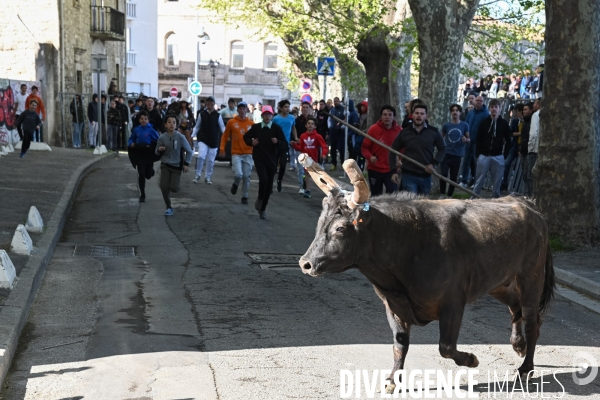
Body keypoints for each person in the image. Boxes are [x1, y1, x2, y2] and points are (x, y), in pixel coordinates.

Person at [389, 104, 446, 195]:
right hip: (409, 175)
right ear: (412, 115)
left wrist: (434, 164)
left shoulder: (434, 132)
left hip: (426, 176)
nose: (419, 115)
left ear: (426, 116)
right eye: (417, 113)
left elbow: (443, 149)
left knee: (422, 205)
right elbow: (393, 151)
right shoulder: (404, 133)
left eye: (422, 113)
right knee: (411, 203)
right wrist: (393, 171)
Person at [243, 105, 287, 219]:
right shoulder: (256, 127)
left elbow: (284, 144)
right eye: (265, 114)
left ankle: (263, 209)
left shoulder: (276, 129)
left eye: (269, 114)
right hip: (259, 158)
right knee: (263, 179)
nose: (267, 116)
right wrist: (252, 142)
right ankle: (260, 197)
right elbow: (246, 137)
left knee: (269, 185)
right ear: (262, 115)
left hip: (272, 159)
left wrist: (277, 141)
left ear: (272, 115)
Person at [472, 99, 512, 198]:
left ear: (499, 109)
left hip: (497, 156)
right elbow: (479, 139)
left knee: (497, 182)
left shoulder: (503, 123)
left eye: (496, 107)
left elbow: (508, 140)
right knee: (479, 180)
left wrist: (504, 155)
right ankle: (473, 197)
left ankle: (496, 200)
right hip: (484, 155)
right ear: (489, 108)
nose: (494, 109)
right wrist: (478, 155)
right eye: (492, 107)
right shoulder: (484, 122)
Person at [156, 114, 193, 216]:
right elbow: (156, 151)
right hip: (165, 164)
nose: (171, 124)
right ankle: (168, 206)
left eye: (174, 122)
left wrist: (186, 164)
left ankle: (170, 185)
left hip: (177, 166)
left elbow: (189, 151)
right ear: (165, 125)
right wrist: (160, 149)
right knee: (164, 187)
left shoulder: (180, 137)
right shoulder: (162, 137)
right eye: (169, 122)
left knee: (174, 188)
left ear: (176, 125)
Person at [219, 101, 255, 204]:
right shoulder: (231, 122)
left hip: (248, 153)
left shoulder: (251, 124)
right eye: (240, 109)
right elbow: (225, 136)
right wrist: (222, 149)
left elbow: (257, 138)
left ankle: (245, 196)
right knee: (239, 175)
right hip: (236, 153)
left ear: (246, 110)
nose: (242, 110)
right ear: (237, 110)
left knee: (246, 176)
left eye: (244, 109)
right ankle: (235, 184)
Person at [362, 105, 402, 196]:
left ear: (393, 117)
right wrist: (370, 157)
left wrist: (401, 160)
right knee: (376, 197)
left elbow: (403, 150)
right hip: (375, 169)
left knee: (393, 195)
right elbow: (364, 148)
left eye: (390, 114)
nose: (387, 117)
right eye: (384, 114)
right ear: (381, 116)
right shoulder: (373, 129)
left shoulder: (399, 131)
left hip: (391, 170)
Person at [291, 116, 328, 198]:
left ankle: (308, 184)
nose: (310, 125)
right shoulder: (303, 136)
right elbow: (301, 148)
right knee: (307, 173)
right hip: (305, 159)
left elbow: (324, 146)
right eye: (308, 123)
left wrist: (324, 154)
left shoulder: (317, 136)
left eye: (312, 124)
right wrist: (294, 145)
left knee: (314, 175)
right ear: (306, 125)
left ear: (315, 126)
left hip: (314, 158)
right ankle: (308, 190)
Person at [191, 96, 225, 184]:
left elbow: (222, 128)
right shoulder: (202, 114)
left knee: (211, 160)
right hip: (203, 139)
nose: (209, 104)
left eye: (211, 102)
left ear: (214, 104)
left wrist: (226, 136)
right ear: (206, 103)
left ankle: (208, 177)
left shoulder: (218, 115)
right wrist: (192, 135)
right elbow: (197, 126)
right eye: (208, 102)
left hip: (214, 140)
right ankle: (197, 175)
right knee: (201, 156)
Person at [128, 110, 160, 202]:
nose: (143, 120)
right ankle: (142, 194)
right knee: (141, 174)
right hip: (139, 154)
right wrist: (131, 144)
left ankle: (151, 171)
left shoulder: (151, 130)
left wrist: (155, 146)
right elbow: (131, 139)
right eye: (141, 119)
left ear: (148, 120)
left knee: (148, 175)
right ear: (139, 120)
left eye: (145, 119)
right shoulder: (136, 130)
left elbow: (158, 140)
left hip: (148, 154)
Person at [440, 104, 470, 198]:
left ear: (460, 113)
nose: (455, 112)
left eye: (457, 110)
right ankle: (442, 194)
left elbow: (469, 139)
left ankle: (449, 196)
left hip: (457, 154)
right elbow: (441, 137)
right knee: (443, 174)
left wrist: (466, 140)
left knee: (453, 177)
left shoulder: (464, 125)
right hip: (446, 153)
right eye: (453, 110)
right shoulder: (446, 125)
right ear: (450, 113)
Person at [460, 96, 489, 188]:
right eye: (477, 100)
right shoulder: (471, 113)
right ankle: (464, 181)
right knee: (466, 161)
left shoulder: (485, 114)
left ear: (483, 102)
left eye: (481, 101)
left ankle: (477, 182)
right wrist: (464, 135)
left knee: (477, 162)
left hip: (477, 142)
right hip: (468, 140)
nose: (479, 102)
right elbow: (466, 124)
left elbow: (485, 129)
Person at [273, 99, 297, 191]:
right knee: (273, 165)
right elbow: (273, 130)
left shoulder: (292, 118)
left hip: (285, 144)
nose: (287, 109)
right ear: (281, 108)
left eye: (288, 107)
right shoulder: (276, 119)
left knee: (283, 164)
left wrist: (295, 137)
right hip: (275, 144)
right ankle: (270, 182)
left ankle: (279, 180)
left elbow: (294, 128)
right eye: (285, 107)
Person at [501, 103, 524, 191]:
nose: (515, 113)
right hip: (514, 146)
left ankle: (517, 187)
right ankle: (505, 183)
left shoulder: (526, 121)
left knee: (520, 168)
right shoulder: (515, 121)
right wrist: (520, 133)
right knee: (506, 163)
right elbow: (511, 133)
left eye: (516, 111)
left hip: (522, 146)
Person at [293, 101, 313, 191]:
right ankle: (301, 186)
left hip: (310, 147)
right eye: (303, 107)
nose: (305, 109)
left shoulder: (312, 120)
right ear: (301, 108)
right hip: (300, 146)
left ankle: (307, 186)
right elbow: (293, 130)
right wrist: (295, 139)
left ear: (309, 109)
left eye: (307, 107)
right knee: (301, 168)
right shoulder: (297, 120)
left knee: (308, 169)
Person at [525, 98, 541, 196]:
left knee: (529, 176)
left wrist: (530, 148)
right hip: (540, 149)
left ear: (538, 104)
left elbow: (533, 133)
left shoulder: (535, 115)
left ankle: (530, 198)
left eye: (535, 103)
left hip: (534, 150)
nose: (533, 105)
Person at [328, 97, 347, 171]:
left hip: (340, 133)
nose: (336, 102)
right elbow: (329, 119)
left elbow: (346, 119)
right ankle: (334, 164)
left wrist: (342, 126)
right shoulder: (332, 110)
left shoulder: (343, 110)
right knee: (332, 149)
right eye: (334, 101)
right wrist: (330, 127)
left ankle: (343, 164)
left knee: (341, 149)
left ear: (339, 101)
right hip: (333, 132)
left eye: (337, 101)